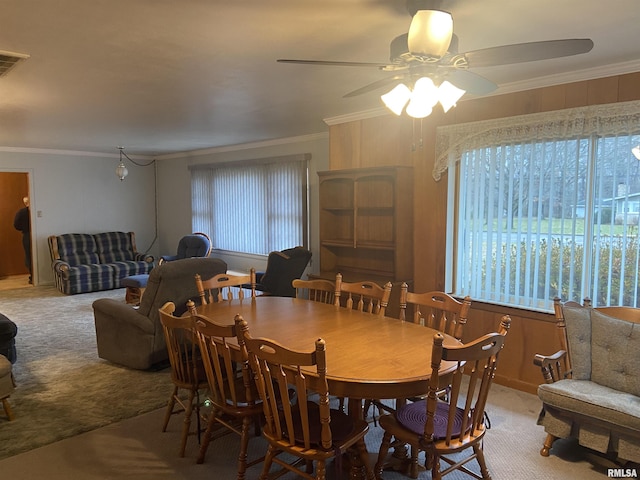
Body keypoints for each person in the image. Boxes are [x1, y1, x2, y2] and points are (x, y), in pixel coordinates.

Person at [13, 196, 32, 283]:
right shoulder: (33, 211)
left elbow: (16, 225)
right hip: (33, 234)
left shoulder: (21, 212)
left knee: (28, 255)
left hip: (26, 235)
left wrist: (23, 228)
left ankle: (32, 275)